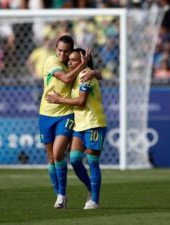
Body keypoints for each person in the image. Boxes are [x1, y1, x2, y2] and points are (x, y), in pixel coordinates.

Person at [38, 35, 101, 209]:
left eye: (66, 51)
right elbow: (65, 78)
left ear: (72, 50)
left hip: (66, 115)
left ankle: (64, 195)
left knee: (59, 154)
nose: (63, 54)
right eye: (59, 50)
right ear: (55, 49)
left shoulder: (77, 67)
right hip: (45, 114)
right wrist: (85, 64)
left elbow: (91, 77)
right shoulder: (52, 61)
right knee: (51, 158)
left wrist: (90, 68)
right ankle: (61, 195)